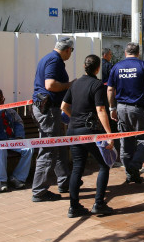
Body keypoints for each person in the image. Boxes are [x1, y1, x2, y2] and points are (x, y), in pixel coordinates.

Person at [61, 55, 116, 218]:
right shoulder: (97, 85)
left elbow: (64, 106)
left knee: (77, 167)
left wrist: (74, 118)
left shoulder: (75, 83)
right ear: (98, 68)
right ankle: (99, 203)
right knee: (104, 165)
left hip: (73, 130)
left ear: (84, 66)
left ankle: (73, 207)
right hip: (89, 132)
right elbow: (100, 110)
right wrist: (109, 134)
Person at [107, 42, 144, 184]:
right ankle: (134, 166)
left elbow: (110, 89)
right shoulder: (143, 66)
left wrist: (112, 108)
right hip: (138, 109)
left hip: (121, 108)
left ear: (125, 53)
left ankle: (130, 174)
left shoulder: (116, 67)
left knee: (126, 141)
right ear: (138, 53)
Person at [30, 37, 75, 202]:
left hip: (46, 108)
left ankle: (64, 181)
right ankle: (39, 191)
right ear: (68, 49)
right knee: (49, 149)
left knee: (58, 145)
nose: (71, 54)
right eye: (71, 51)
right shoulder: (54, 61)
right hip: (48, 110)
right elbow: (50, 85)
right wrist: (70, 84)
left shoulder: (48, 58)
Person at [0, 87, 33, 192]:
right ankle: (1, 181)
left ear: (3, 98)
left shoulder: (9, 110)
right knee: (1, 149)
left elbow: (18, 122)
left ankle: (17, 178)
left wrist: (19, 136)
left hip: (9, 140)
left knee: (28, 149)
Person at [100, 47, 120, 160]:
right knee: (111, 115)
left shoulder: (98, 65)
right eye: (110, 54)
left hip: (99, 94)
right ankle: (112, 137)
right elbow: (114, 82)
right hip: (108, 93)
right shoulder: (109, 66)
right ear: (105, 55)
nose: (111, 56)